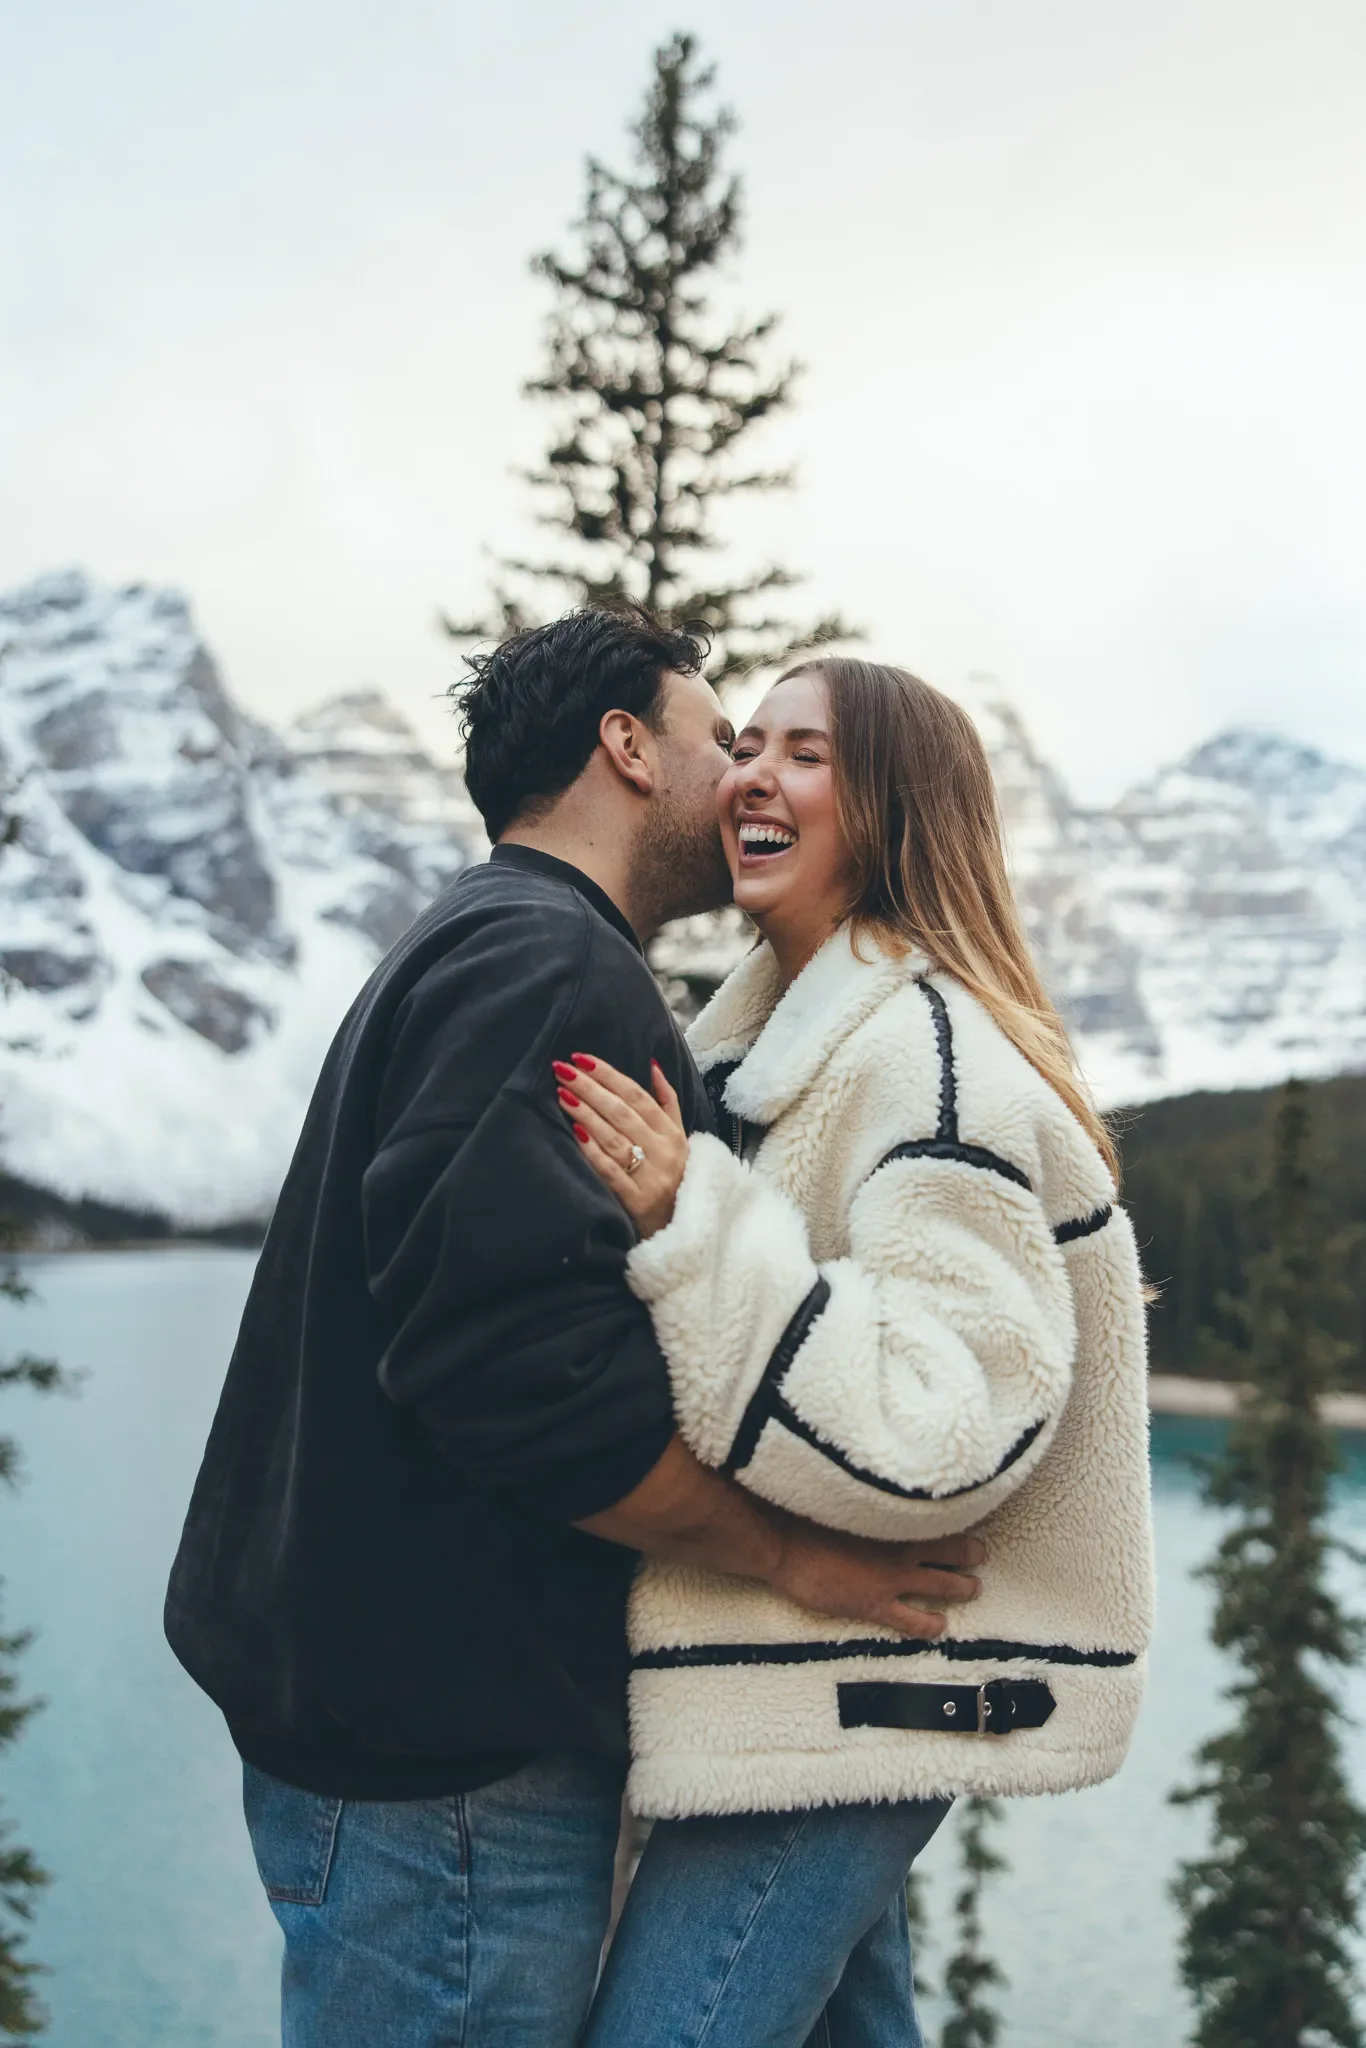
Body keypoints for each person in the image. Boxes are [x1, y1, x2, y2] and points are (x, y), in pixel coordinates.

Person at [163, 609, 985, 2048]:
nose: (738, 777)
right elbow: (510, 1372)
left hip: (387, 1742)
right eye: (720, 738)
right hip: (445, 1782)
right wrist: (787, 1553)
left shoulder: (481, 940)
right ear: (626, 745)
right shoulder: (550, 963)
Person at [559, 657, 1156, 2048]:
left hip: (862, 1691)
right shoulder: (794, 1048)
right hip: (831, 1680)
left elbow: (941, 1421)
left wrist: (693, 1218)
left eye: (807, 754)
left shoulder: (927, 1064)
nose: (754, 775)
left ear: (894, 807)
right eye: (748, 743)